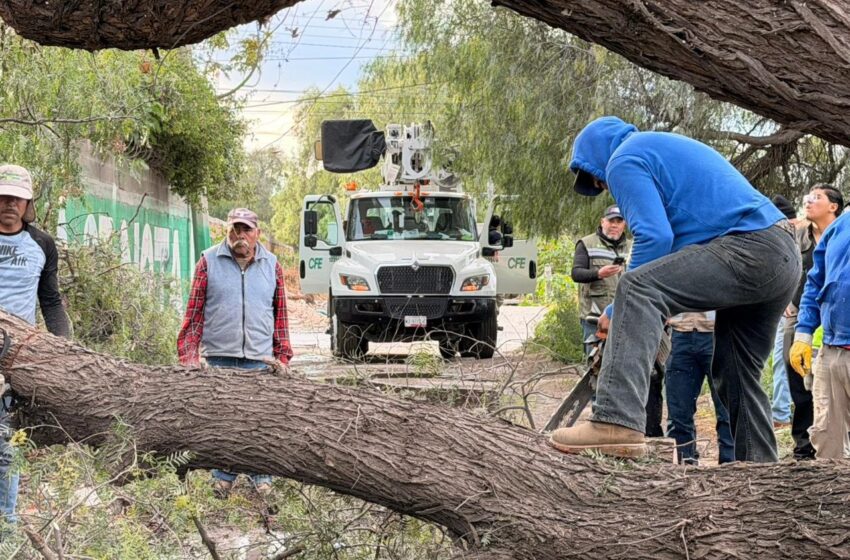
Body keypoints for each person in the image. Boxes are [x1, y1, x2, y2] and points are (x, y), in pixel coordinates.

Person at [549, 116, 800, 462]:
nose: (605, 186)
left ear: (596, 157)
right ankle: (759, 473)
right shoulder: (660, 149)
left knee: (636, 287)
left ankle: (615, 422)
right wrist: (642, 317)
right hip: (781, 254)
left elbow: (655, 237)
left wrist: (619, 309)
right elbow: (679, 258)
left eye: (597, 180)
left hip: (750, 249)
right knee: (735, 368)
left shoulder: (622, 158)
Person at [177, 207, 293, 498]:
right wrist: (189, 357)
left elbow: (280, 317)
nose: (239, 236)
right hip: (219, 356)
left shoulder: (272, 265)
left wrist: (283, 356)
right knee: (223, 421)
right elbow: (193, 315)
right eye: (235, 229)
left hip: (259, 358)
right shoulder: (208, 261)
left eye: (246, 230)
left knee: (258, 420)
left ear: (257, 234)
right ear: (227, 230)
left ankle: (261, 476)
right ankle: (222, 478)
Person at [0, 164, 71, 524]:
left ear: (28, 202)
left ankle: (6, 528)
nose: (9, 203)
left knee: (5, 449)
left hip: (15, 361)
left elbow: (52, 302)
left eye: (17, 198)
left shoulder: (41, 244)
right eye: (3, 196)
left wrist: (65, 349)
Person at [783, 185, 843, 459]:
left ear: (834, 205)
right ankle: (805, 448)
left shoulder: (836, 228)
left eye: (817, 197)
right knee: (824, 433)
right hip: (823, 339)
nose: (809, 201)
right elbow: (813, 281)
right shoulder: (826, 232)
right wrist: (803, 330)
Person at [665, 312, 734, 465]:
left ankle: (731, 466)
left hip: (719, 333)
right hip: (679, 333)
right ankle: (684, 466)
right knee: (678, 412)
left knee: (727, 409)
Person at [571, 204, 631, 355]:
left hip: (627, 317)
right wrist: (598, 273)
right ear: (602, 222)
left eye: (619, 221)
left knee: (624, 363)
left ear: (624, 224)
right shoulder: (586, 243)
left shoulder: (634, 246)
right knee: (595, 365)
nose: (614, 225)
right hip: (594, 318)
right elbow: (576, 274)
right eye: (611, 221)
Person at [769, 194, 797, 427]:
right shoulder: (775, 238)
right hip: (784, 308)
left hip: (805, 309)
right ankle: (780, 412)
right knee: (781, 359)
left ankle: (782, 412)